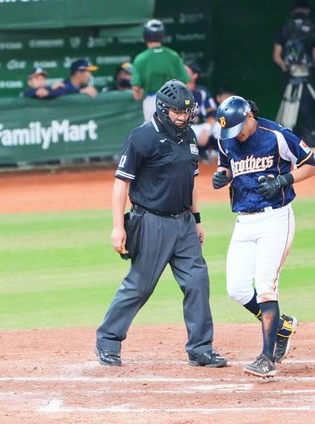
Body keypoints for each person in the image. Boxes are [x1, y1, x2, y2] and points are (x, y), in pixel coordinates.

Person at [94, 79, 227, 369]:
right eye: (177, 112)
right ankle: (108, 340)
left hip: (184, 223)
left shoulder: (188, 136)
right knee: (140, 286)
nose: (182, 117)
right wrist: (117, 226)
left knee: (197, 281)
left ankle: (200, 348)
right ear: (163, 109)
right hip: (151, 222)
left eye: (186, 112)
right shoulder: (142, 137)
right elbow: (121, 183)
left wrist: (197, 220)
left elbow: (191, 182)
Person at [212, 96, 315, 378]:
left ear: (249, 116)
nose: (236, 135)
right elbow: (226, 165)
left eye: (238, 128)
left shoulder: (277, 135)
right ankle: (282, 326)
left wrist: (284, 180)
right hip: (244, 220)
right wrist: (222, 176)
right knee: (237, 289)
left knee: (265, 287)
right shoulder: (226, 139)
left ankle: (267, 359)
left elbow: (311, 164)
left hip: (275, 219)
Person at [272, 0, 315, 158]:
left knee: (306, 109)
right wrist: (284, 65)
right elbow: (277, 55)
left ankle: (309, 141)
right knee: (289, 110)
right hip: (289, 77)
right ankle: (283, 143)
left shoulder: (311, 31)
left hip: (305, 76)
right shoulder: (284, 30)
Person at [131, 19, 190, 123]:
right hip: (173, 102)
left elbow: (136, 88)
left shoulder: (140, 58)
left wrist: (139, 95)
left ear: (145, 36)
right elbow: (185, 83)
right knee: (173, 131)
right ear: (162, 36)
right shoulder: (173, 55)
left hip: (151, 101)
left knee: (152, 131)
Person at [185, 63, 218, 162]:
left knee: (219, 127)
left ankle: (220, 154)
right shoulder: (175, 91)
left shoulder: (201, 92)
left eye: (186, 71)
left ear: (195, 75)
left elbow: (212, 113)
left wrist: (206, 129)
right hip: (182, 129)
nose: (181, 73)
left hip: (199, 128)